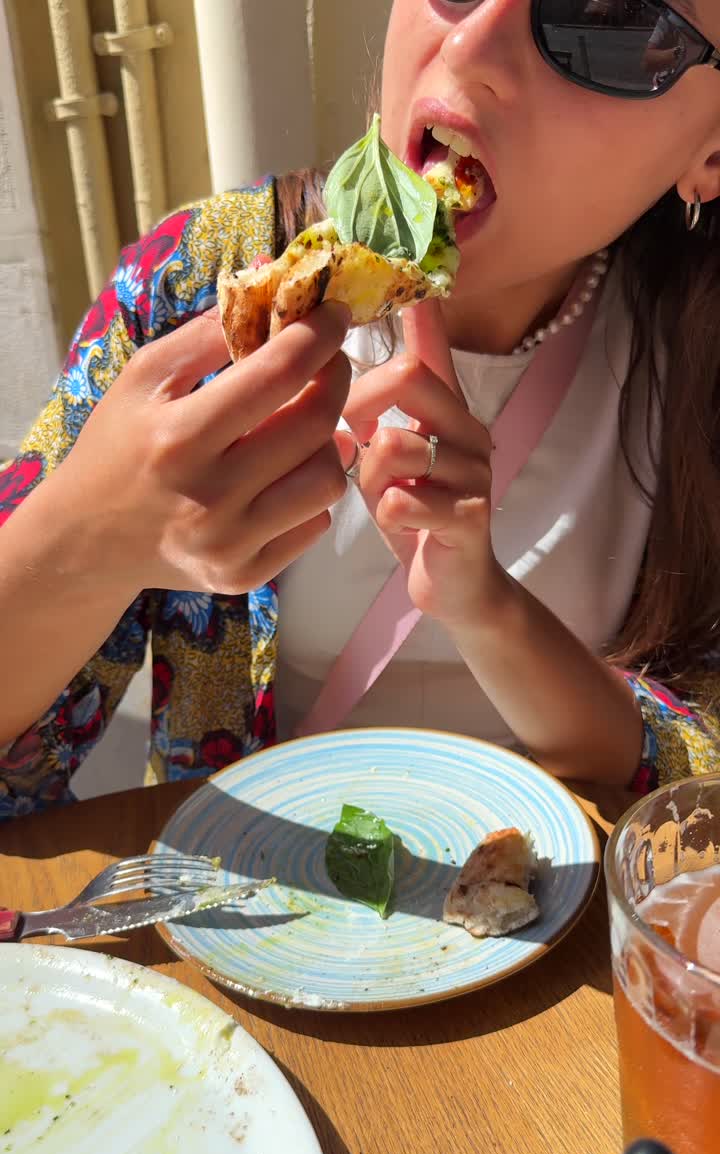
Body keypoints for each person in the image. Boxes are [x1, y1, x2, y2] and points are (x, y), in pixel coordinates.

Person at [1, 0, 720, 820]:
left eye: (613, 17)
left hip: (568, 925)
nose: (474, 41)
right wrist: (92, 541)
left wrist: (490, 611)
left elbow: (705, 777)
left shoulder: (694, 359)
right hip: (251, 917)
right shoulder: (198, 284)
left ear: (712, 150)